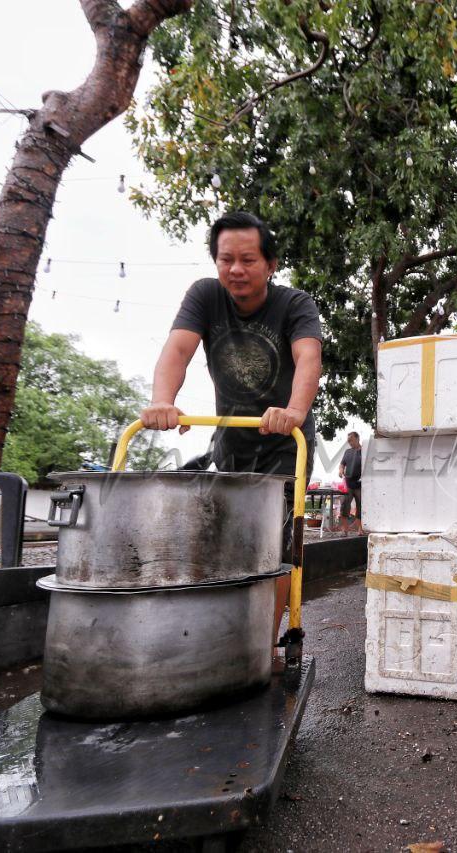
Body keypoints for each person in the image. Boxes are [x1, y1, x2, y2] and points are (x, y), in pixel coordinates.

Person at [141, 210, 323, 645]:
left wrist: (294, 411)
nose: (236, 270)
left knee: (276, 544)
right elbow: (177, 351)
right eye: (226, 260)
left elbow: (308, 358)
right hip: (231, 438)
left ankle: (265, 642)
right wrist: (162, 401)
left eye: (248, 260)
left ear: (270, 264)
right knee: (224, 537)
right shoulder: (205, 296)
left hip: (284, 441)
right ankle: (219, 633)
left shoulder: (294, 304)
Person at [339, 431, 363, 534]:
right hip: (348, 484)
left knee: (360, 506)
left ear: (357, 439)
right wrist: (340, 470)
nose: (349, 442)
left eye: (351, 440)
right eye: (348, 441)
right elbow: (342, 464)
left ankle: (360, 529)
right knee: (345, 505)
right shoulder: (347, 452)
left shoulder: (364, 451)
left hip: (360, 484)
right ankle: (345, 529)